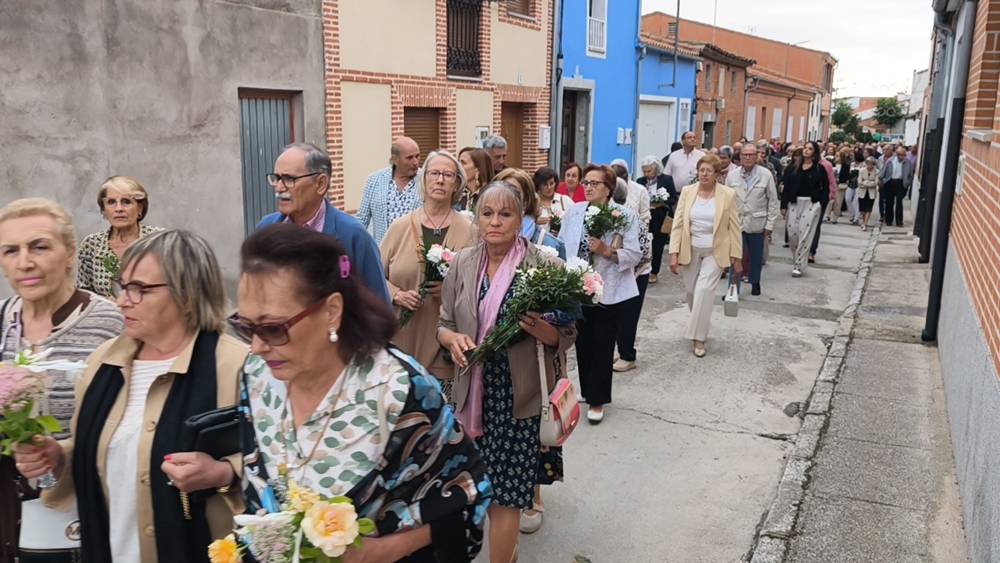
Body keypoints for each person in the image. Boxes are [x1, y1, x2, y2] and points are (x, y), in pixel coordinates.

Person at [234, 224, 491, 562]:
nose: (256, 346)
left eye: (272, 328)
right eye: (244, 326)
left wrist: (384, 551)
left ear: (331, 311)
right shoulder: (256, 375)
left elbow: (467, 496)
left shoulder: (397, 389)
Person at [14, 230, 247, 562]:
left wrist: (224, 473)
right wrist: (59, 456)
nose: (122, 300)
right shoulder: (104, 362)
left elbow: (275, 466)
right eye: (122, 286)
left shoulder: (235, 365)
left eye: (139, 289)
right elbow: (99, 452)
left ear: (188, 294)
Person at [437, 182, 575, 562]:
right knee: (471, 491)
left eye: (505, 214)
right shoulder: (462, 263)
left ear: (521, 219)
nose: (495, 222)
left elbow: (566, 333)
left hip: (519, 398)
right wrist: (452, 340)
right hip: (471, 395)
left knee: (506, 497)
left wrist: (542, 330)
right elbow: (443, 323)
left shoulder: (544, 265)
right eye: (487, 213)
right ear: (477, 218)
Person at [0, 198, 124, 563]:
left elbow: (130, 421)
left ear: (70, 253)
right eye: (10, 250)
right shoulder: (1, 321)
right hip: (9, 517)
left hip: (84, 517)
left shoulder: (111, 324)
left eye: (39, 246)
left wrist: (62, 454)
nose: (25, 262)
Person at [379, 150, 477, 390]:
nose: (440, 180)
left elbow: (481, 284)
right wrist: (396, 294)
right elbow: (374, 276)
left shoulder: (470, 231)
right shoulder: (400, 228)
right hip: (400, 343)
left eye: (448, 175)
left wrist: (451, 290)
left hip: (444, 348)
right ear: (424, 180)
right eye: (434, 173)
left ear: (457, 183)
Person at [256, 142, 391, 304]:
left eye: (288, 179)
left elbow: (379, 308)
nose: (278, 188)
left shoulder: (353, 236)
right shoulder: (266, 229)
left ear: (321, 184)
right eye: (276, 178)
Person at [558, 165, 642, 423]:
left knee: (602, 344)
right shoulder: (574, 212)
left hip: (610, 289)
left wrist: (607, 252)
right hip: (579, 287)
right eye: (587, 182)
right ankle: (588, 389)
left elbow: (635, 253)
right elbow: (562, 244)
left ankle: (598, 399)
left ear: (608, 189)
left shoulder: (625, 215)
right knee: (582, 343)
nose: (589, 187)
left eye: (595, 183)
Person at [668, 155, 741, 358]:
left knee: (703, 291)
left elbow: (734, 228)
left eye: (709, 170)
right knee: (692, 293)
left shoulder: (727, 194)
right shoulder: (688, 192)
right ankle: (700, 324)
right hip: (690, 249)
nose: (704, 174)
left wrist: (737, 257)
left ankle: (698, 339)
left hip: (715, 252)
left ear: (717, 174)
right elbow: (678, 224)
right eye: (701, 170)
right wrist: (673, 253)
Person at [78, 176, 164, 298]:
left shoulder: (159, 240)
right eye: (111, 202)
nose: (119, 209)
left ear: (140, 208)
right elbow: (84, 294)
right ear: (103, 210)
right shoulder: (91, 244)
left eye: (126, 202)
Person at [610, 164, 653, 373]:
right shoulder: (604, 214)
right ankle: (620, 351)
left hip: (636, 271)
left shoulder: (630, 217)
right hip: (617, 271)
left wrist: (623, 262)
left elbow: (644, 250)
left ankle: (628, 354)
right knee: (616, 315)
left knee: (628, 314)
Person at [725, 145, 778, 296]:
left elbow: (773, 201)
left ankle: (755, 281)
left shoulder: (765, 175)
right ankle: (733, 289)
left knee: (756, 256)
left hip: (757, 222)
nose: (747, 158)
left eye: (751, 155)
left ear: (756, 157)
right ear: (740, 157)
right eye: (744, 155)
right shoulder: (732, 176)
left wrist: (770, 224)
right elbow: (726, 200)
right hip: (737, 222)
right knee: (736, 256)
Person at [356, 137, 423, 244]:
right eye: (409, 158)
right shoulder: (375, 180)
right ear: (394, 159)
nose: (415, 162)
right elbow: (362, 219)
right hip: (382, 253)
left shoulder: (426, 179)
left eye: (417, 156)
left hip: (415, 253)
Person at [495, 168, 567, 259]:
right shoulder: (482, 238)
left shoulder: (550, 245)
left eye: (514, 192)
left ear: (525, 201)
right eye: (500, 191)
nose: (505, 197)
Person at [781, 141, 829, 277]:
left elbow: (825, 188)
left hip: (811, 203)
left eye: (810, 149)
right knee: (792, 233)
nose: (806, 151)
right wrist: (783, 205)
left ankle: (799, 264)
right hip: (794, 202)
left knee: (805, 232)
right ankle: (796, 259)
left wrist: (821, 203)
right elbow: (786, 187)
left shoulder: (819, 169)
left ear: (815, 152)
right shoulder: (792, 168)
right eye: (805, 148)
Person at [636, 155, 678, 284]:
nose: (646, 174)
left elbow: (673, 199)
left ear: (656, 169)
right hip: (644, 217)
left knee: (658, 245)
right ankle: (641, 269)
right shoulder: (640, 181)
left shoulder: (666, 180)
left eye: (649, 171)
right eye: (645, 171)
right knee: (643, 243)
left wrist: (662, 202)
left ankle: (654, 272)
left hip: (660, 217)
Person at [878, 145, 914, 227]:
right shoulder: (890, 161)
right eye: (900, 155)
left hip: (901, 183)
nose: (902, 157)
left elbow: (910, 175)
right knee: (889, 202)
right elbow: (883, 171)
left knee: (899, 202)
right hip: (890, 182)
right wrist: (881, 180)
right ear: (896, 154)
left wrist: (908, 183)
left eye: (904, 155)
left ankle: (899, 221)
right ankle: (889, 221)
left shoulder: (908, 162)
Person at [533, 166, 573, 233]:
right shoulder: (532, 203)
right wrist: (534, 222)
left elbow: (576, 222)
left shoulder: (565, 200)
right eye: (545, 184)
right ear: (538, 185)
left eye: (551, 183)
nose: (549, 187)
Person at [457, 146, 495, 213]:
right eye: (458, 162)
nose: (458, 167)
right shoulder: (459, 193)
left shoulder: (490, 196)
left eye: (463, 163)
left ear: (478, 169)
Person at [827, 148, 852, 224]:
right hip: (831, 185)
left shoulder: (846, 166)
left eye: (838, 156)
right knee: (830, 201)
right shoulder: (831, 164)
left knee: (838, 202)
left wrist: (839, 179)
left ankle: (835, 217)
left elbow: (847, 177)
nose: (836, 157)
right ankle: (827, 215)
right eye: (836, 155)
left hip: (840, 185)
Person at [857, 157, 880, 231]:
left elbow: (876, 183)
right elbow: (860, 182)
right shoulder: (861, 171)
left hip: (871, 193)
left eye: (871, 164)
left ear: (873, 164)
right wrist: (870, 182)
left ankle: (865, 224)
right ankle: (864, 221)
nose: (869, 166)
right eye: (868, 164)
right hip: (862, 192)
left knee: (869, 209)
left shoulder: (876, 171)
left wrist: (866, 182)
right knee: (862, 209)